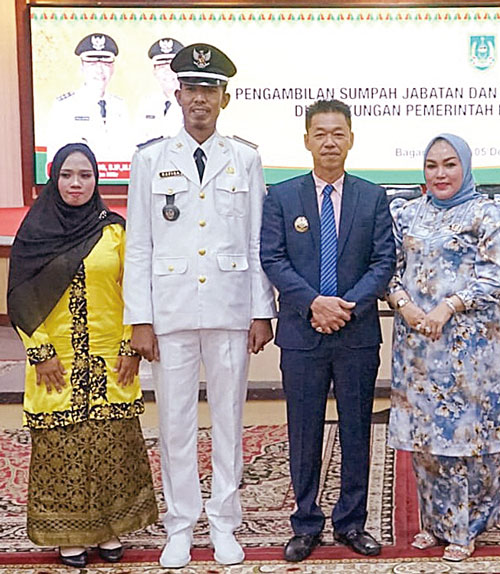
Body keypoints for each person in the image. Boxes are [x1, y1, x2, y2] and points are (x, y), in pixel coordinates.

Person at [123, 43, 277, 568]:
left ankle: (225, 524)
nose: (200, 100)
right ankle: (181, 526)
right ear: (178, 93)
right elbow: (139, 245)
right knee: (175, 423)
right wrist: (139, 319)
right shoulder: (149, 160)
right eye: (191, 89)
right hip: (170, 312)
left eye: (210, 90)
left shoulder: (247, 158)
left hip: (231, 310)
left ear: (225, 98)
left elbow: (258, 241)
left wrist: (263, 309)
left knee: (230, 419)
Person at [7, 143, 158, 569]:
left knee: (111, 448)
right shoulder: (35, 233)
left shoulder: (114, 231)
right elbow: (18, 297)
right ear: (55, 180)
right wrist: (41, 353)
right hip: (56, 363)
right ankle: (68, 537)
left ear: (97, 180)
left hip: (111, 360)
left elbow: (136, 291)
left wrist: (133, 347)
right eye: (68, 175)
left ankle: (109, 530)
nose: (77, 184)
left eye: (86, 175)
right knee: (62, 450)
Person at [260, 99, 395, 563]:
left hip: (356, 334)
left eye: (338, 133)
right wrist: (314, 303)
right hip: (303, 333)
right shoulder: (281, 196)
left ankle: (352, 522)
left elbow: (384, 262)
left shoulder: (372, 196)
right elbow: (273, 258)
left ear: (351, 138)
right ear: (306, 141)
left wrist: (347, 307)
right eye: (321, 133)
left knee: (358, 428)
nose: (330, 142)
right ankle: (306, 523)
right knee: (304, 430)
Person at [386, 133, 500, 562]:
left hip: (471, 348)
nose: (440, 174)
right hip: (418, 346)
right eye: (431, 165)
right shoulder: (407, 214)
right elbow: (388, 270)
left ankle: (470, 526)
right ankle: (437, 522)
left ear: (465, 166)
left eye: (449, 164)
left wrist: (447, 307)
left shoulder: (489, 213)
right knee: (426, 436)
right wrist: (405, 306)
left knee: (469, 438)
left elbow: (497, 275)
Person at [46, 33, 132, 166]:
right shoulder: (64, 106)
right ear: (81, 67)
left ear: (113, 68)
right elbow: (54, 161)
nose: (99, 70)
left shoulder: (121, 105)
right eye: (92, 64)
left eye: (105, 63)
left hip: (119, 182)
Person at [137, 38, 185, 143]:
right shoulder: (146, 103)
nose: (167, 71)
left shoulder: (193, 102)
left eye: (172, 66)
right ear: (154, 71)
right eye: (161, 66)